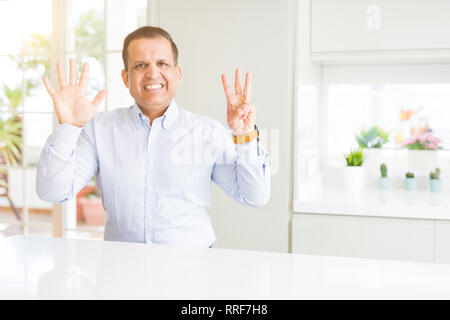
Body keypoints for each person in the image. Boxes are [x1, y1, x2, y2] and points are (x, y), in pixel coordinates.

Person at [36, 26, 270, 248]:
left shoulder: (207, 132)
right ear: (126, 77)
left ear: (177, 74)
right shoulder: (99, 129)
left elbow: (253, 196)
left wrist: (245, 135)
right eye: (140, 65)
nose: (152, 73)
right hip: (120, 272)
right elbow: (53, 192)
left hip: (192, 272)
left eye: (162, 63)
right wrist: (69, 128)